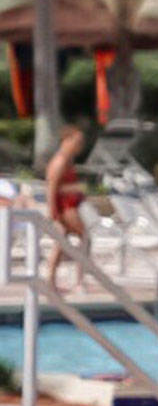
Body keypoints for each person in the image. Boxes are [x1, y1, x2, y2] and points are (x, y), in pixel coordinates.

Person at [40, 125, 88, 292]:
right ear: (66, 141)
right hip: (64, 207)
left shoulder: (67, 160)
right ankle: (78, 281)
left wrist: (77, 190)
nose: (80, 146)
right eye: (77, 142)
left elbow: (62, 186)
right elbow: (51, 187)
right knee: (85, 239)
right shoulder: (60, 161)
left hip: (68, 205)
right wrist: (53, 212)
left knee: (61, 244)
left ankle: (52, 281)